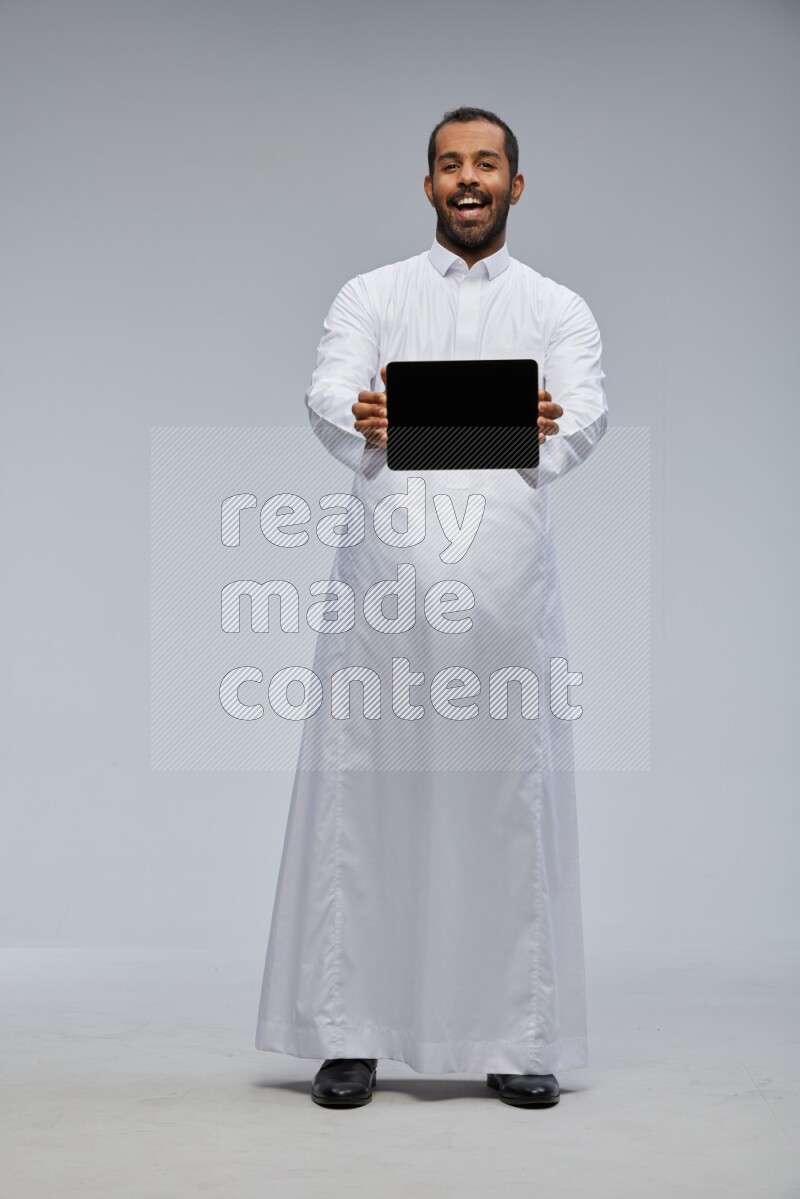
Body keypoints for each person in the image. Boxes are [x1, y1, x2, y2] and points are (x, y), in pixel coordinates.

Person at [255, 106, 607, 1109]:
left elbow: (579, 411)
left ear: (513, 185)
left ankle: (514, 1032)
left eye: (485, 163)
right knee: (367, 797)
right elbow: (330, 388)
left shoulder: (555, 307)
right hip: (386, 585)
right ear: (426, 185)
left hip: (503, 590)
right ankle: (347, 1030)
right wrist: (358, 411)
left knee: (504, 801)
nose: (467, 178)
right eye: (449, 164)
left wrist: (537, 427)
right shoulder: (372, 295)